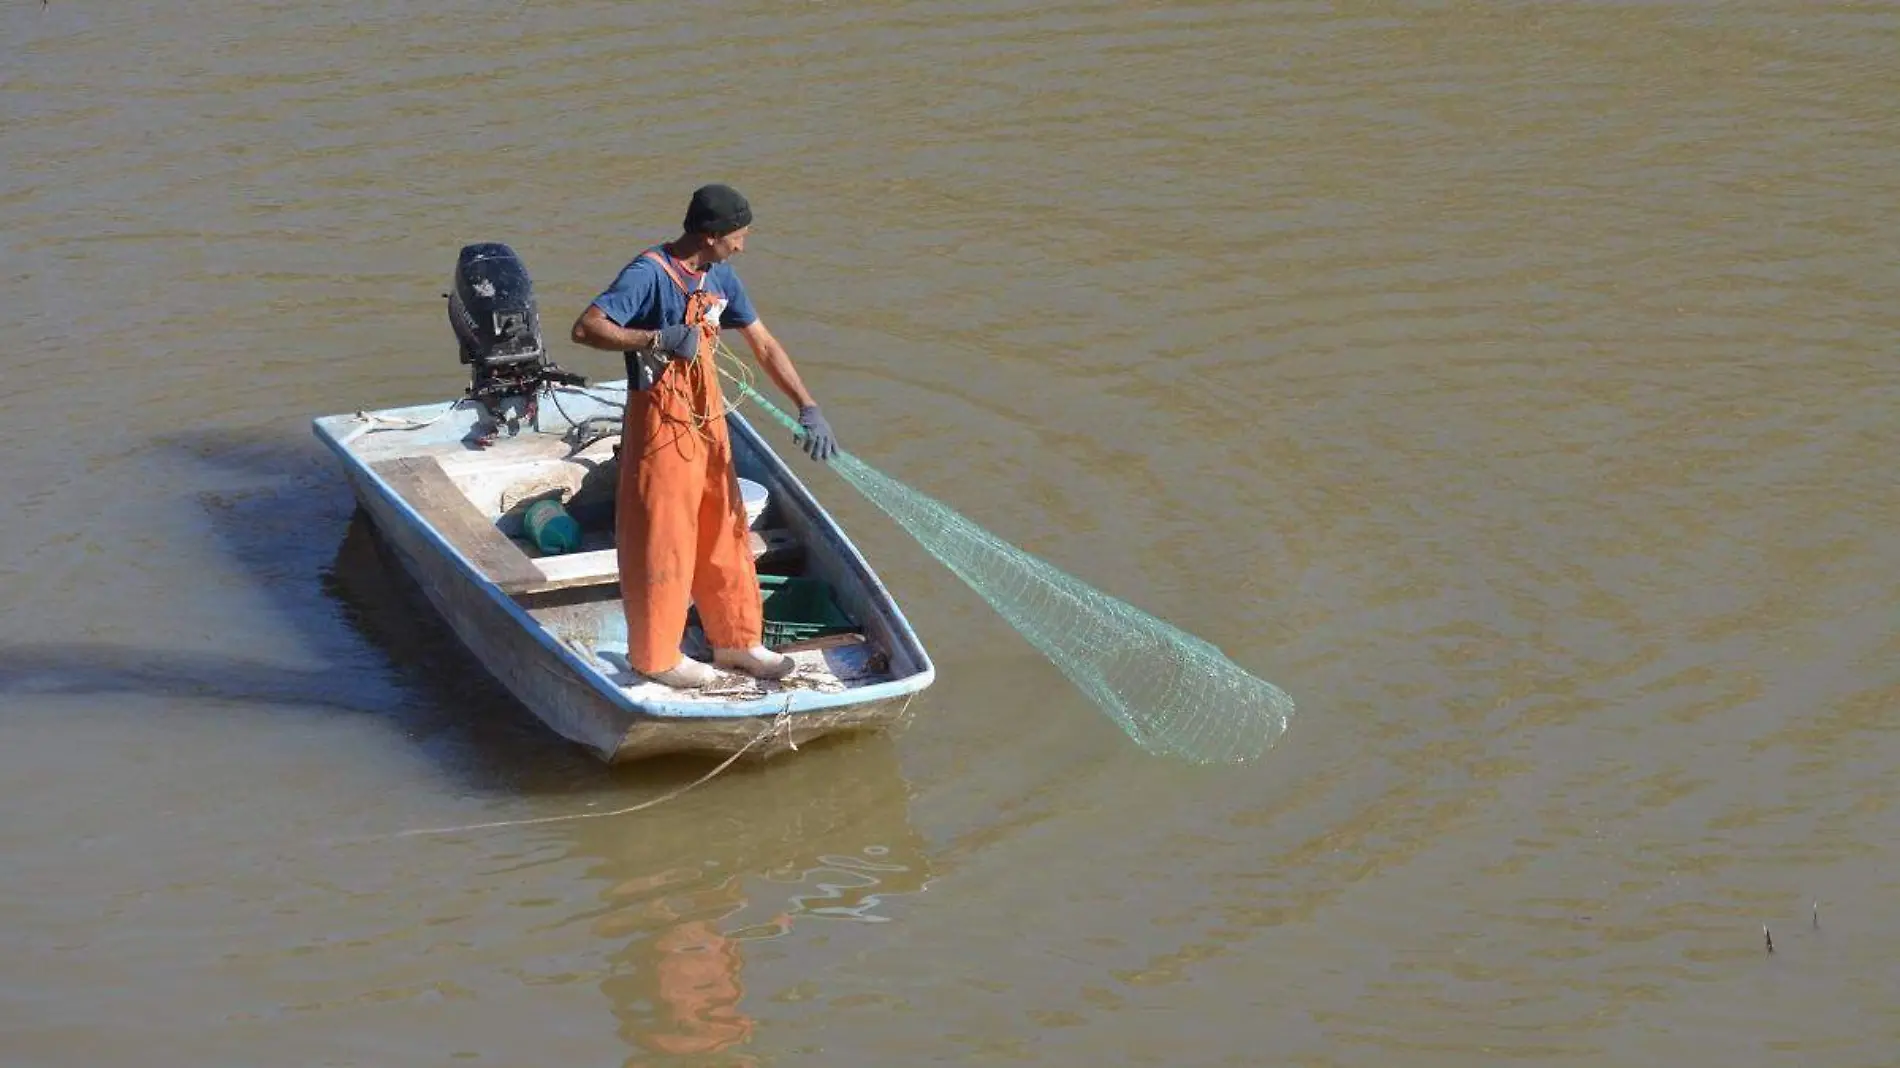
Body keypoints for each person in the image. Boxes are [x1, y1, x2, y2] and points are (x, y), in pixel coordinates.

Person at [569, 184, 840, 689]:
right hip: (660, 425)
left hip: (709, 419)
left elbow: (763, 345)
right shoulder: (647, 274)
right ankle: (656, 658)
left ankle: (735, 641)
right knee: (665, 538)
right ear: (710, 236)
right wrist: (656, 338)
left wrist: (808, 406)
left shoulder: (721, 279)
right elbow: (587, 329)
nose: (742, 246)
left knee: (725, 528)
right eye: (737, 237)